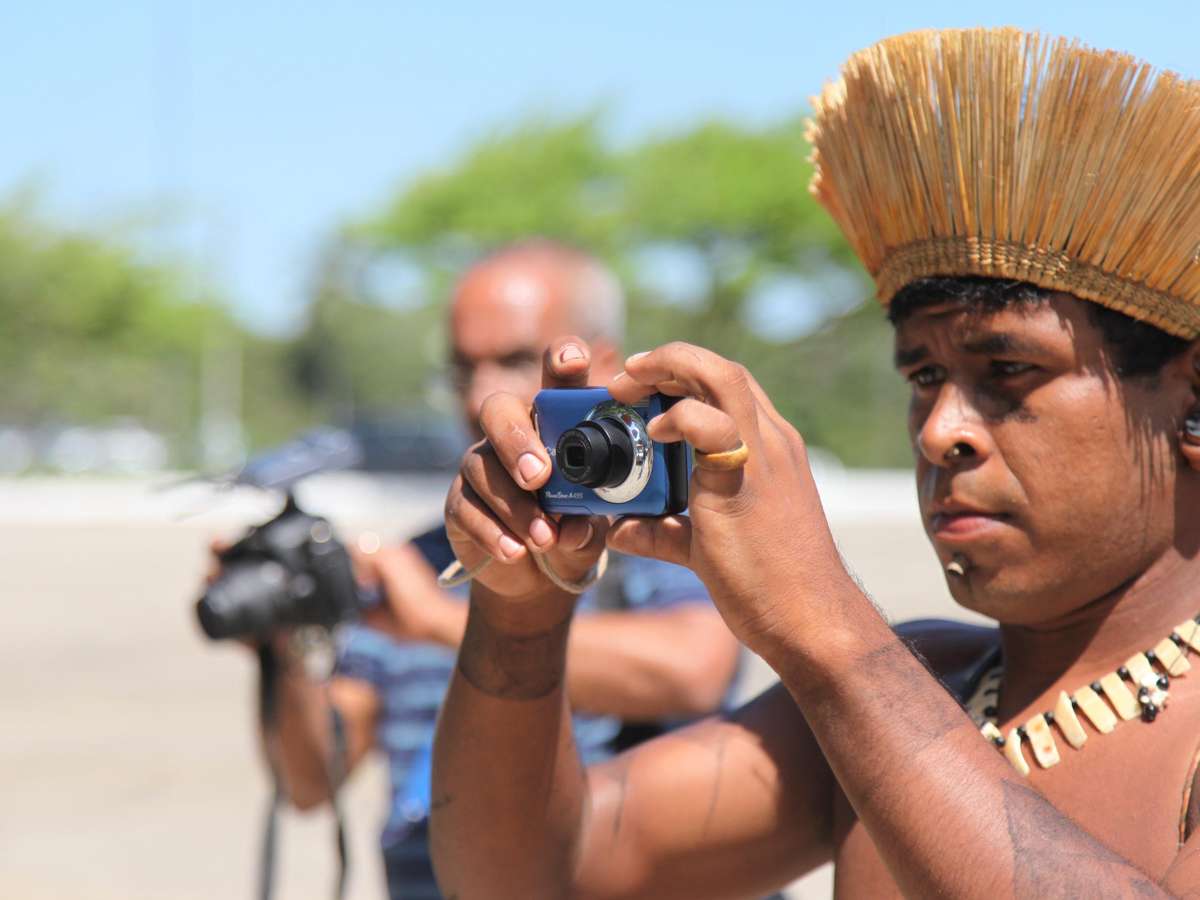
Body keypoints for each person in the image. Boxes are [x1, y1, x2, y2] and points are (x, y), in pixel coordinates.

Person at [428, 29, 1200, 898]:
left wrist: (823, 622)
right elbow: (527, 877)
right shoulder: (928, 684)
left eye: (1011, 370)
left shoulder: (871, 684)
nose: (940, 429)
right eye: (924, 377)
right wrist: (520, 610)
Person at [234, 240, 740, 900]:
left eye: (513, 360)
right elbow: (309, 782)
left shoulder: (654, 527)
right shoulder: (419, 559)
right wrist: (291, 639)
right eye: (462, 368)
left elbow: (694, 670)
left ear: (603, 364)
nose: (480, 397)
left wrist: (442, 622)